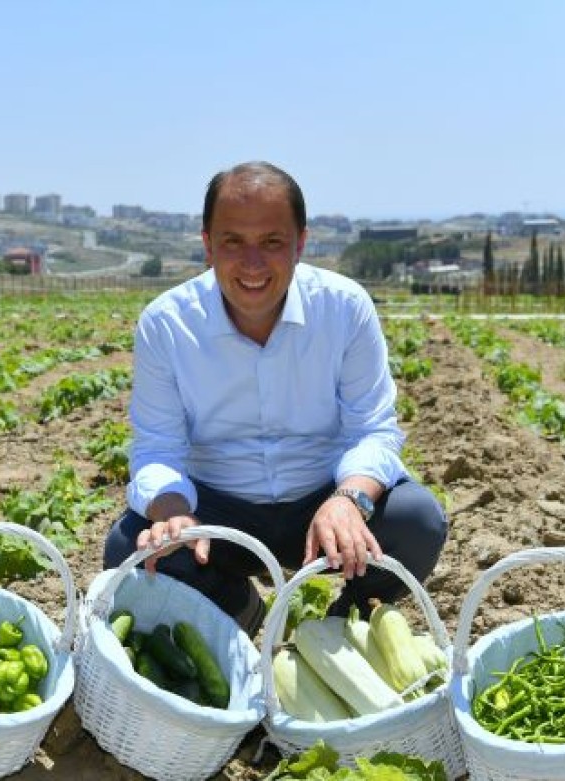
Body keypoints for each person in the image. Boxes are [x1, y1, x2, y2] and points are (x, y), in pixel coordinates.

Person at [102, 161, 448, 635]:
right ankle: (237, 609)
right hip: (216, 508)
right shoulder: (167, 324)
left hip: (321, 499)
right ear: (207, 244)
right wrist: (174, 515)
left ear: (300, 243)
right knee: (130, 549)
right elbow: (157, 447)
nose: (252, 264)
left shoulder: (344, 308)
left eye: (272, 243)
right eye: (233, 242)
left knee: (415, 521)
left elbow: (372, 429)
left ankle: (344, 624)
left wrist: (348, 499)